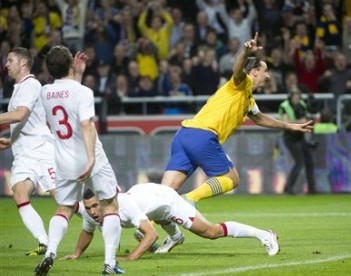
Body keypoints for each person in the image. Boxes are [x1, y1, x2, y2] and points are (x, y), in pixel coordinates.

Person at [161, 33, 313, 204]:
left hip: (183, 135)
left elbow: (260, 118)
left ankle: (148, 224)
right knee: (232, 179)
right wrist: (246, 53)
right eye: (265, 71)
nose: (268, 76)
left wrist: (289, 126)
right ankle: (189, 199)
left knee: (166, 192)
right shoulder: (243, 82)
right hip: (203, 136)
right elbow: (237, 71)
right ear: (254, 72)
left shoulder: (248, 99)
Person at [34, 46, 123, 275]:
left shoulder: (44, 92)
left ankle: (50, 253)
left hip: (63, 160)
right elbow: (84, 124)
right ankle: (109, 264)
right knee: (110, 204)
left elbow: (65, 98)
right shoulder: (83, 92)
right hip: (89, 154)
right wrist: (91, 157)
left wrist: (77, 74)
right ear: (70, 65)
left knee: (64, 208)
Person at [61, 183, 279, 261]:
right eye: (88, 207)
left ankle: (265, 235)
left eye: (94, 206)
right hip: (150, 200)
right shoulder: (93, 212)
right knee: (155, 217)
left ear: (104, 201)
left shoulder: (124, 206)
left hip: (168, 201)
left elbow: (151, 234)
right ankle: (175, 237)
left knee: (210, 232)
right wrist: (77, 253)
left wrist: (131, 256)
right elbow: (87, 232)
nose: (92, 212)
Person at [0, 47, 56, 256]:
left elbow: (20, 115)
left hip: (42, 151)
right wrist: (11, 140)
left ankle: (104, 222)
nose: (6, 64)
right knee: (19, 192)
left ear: (23, 63)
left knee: (64, 201)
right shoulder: (19, 88)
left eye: (10, 60)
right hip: (24, 154)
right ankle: (43, 242)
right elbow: (24, 121)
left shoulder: (31, 84)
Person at [278, 89, 316, 195]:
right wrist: (299, 122)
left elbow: (306, 119)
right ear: (290, 97)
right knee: (299, 162)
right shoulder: (284, 106)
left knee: (309, 161)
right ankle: (288, 187)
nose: (297, 98)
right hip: (289, 137)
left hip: (300, 137)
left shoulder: (302, 104)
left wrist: (299, 122)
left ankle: (312, 189)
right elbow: (286, 121)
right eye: (295, 96)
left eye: (298, 96)